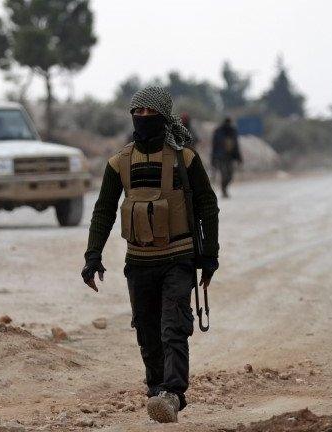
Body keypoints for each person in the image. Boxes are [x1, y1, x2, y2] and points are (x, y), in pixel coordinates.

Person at [81, 86, 220, 424]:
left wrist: (209, 255)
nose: (143, 119)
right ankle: (156, 388)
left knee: (173, 326)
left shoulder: (184, 159)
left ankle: (173, 393)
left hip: (178, 256)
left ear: (165, 116)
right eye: (137, 113)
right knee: (146, 329)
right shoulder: (119, 162)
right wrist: (92, 255)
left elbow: (207, 206)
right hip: (139, 261)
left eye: (150, 113)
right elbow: (103, 211)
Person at [211, 117, 242, 198]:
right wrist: (213, 158)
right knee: (224, 174)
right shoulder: (218, 131)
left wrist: (239, 157)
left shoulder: (233, 131)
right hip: (221, 157)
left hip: (230, 157)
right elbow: (214, 146)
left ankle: (224, 188)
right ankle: (223, 190)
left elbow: (236, 145)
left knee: (230, 175)